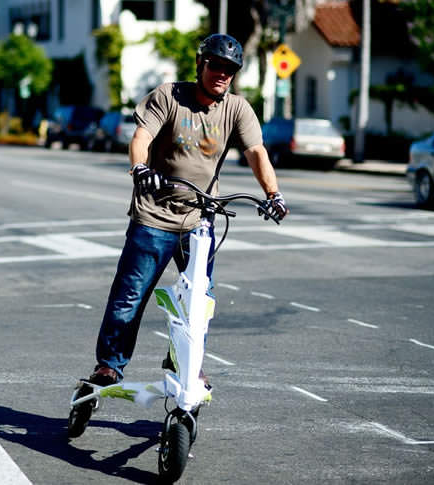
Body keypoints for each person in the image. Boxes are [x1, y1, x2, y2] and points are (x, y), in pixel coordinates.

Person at [76, 34, 289, 400]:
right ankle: (109, 364)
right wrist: (140, 168)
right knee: (130, 295)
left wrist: (274, 194)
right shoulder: (169, 96)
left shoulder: (237, 109)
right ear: (200, 64)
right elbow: (141, 136)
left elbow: (256, 152)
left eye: (230, 69)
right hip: (154, 215)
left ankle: (185, 365)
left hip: (200, 220)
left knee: (198, 302)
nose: (222, 74)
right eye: (216, 65)